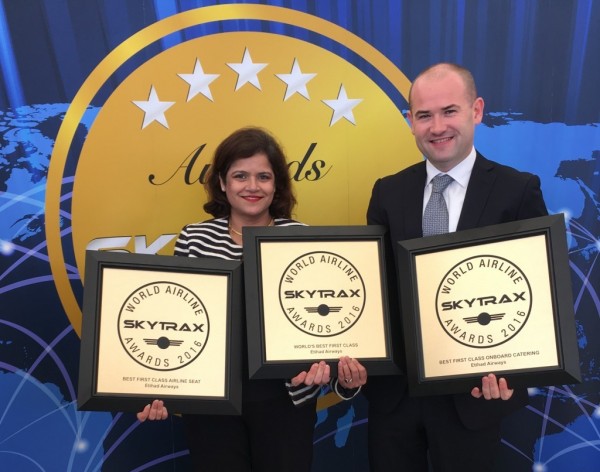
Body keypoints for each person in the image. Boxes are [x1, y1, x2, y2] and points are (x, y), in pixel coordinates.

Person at [137, 126, 367, 472]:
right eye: (240, 176)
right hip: (212, 401)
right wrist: (155, 388)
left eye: (263, 176)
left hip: (287, 401)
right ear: (222, 182)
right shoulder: (194, 238)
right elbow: (176, 318)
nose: (252, 186)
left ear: (277, 185)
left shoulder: (301, 238)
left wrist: (342, 378)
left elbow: (324, 324)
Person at [364, 63, 548, 471]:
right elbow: (376, 291)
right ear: (410, 121)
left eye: (449, 111)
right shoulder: (388, 192)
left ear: (476, 111)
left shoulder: (517, 190)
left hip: (477, 394)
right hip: (396, 396)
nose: (437, 127)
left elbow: (536, 294)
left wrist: (512, 373)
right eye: (424, 115)